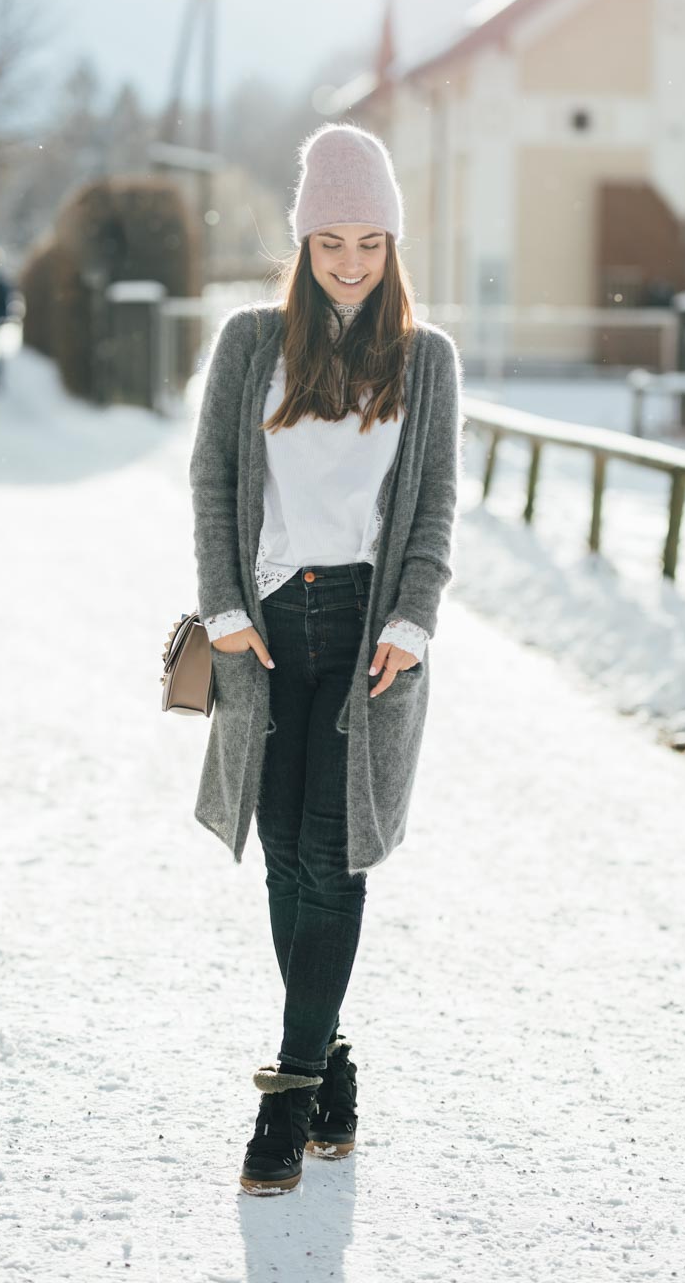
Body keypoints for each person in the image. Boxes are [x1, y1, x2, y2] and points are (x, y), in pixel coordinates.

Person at [187, 123, 463, 1196]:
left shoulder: (423, 358)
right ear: (302, 242)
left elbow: (433, 505)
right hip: (263, 625)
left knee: (333, 849)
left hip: (365, 637)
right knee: (282, 848)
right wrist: (219, 604)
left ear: (393, 246)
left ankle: (290, 1090)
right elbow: (212, 479)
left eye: (369, 243)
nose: (349, 262)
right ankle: (333, 1061)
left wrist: (411, 618)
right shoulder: (251, 342)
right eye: (330, 241)